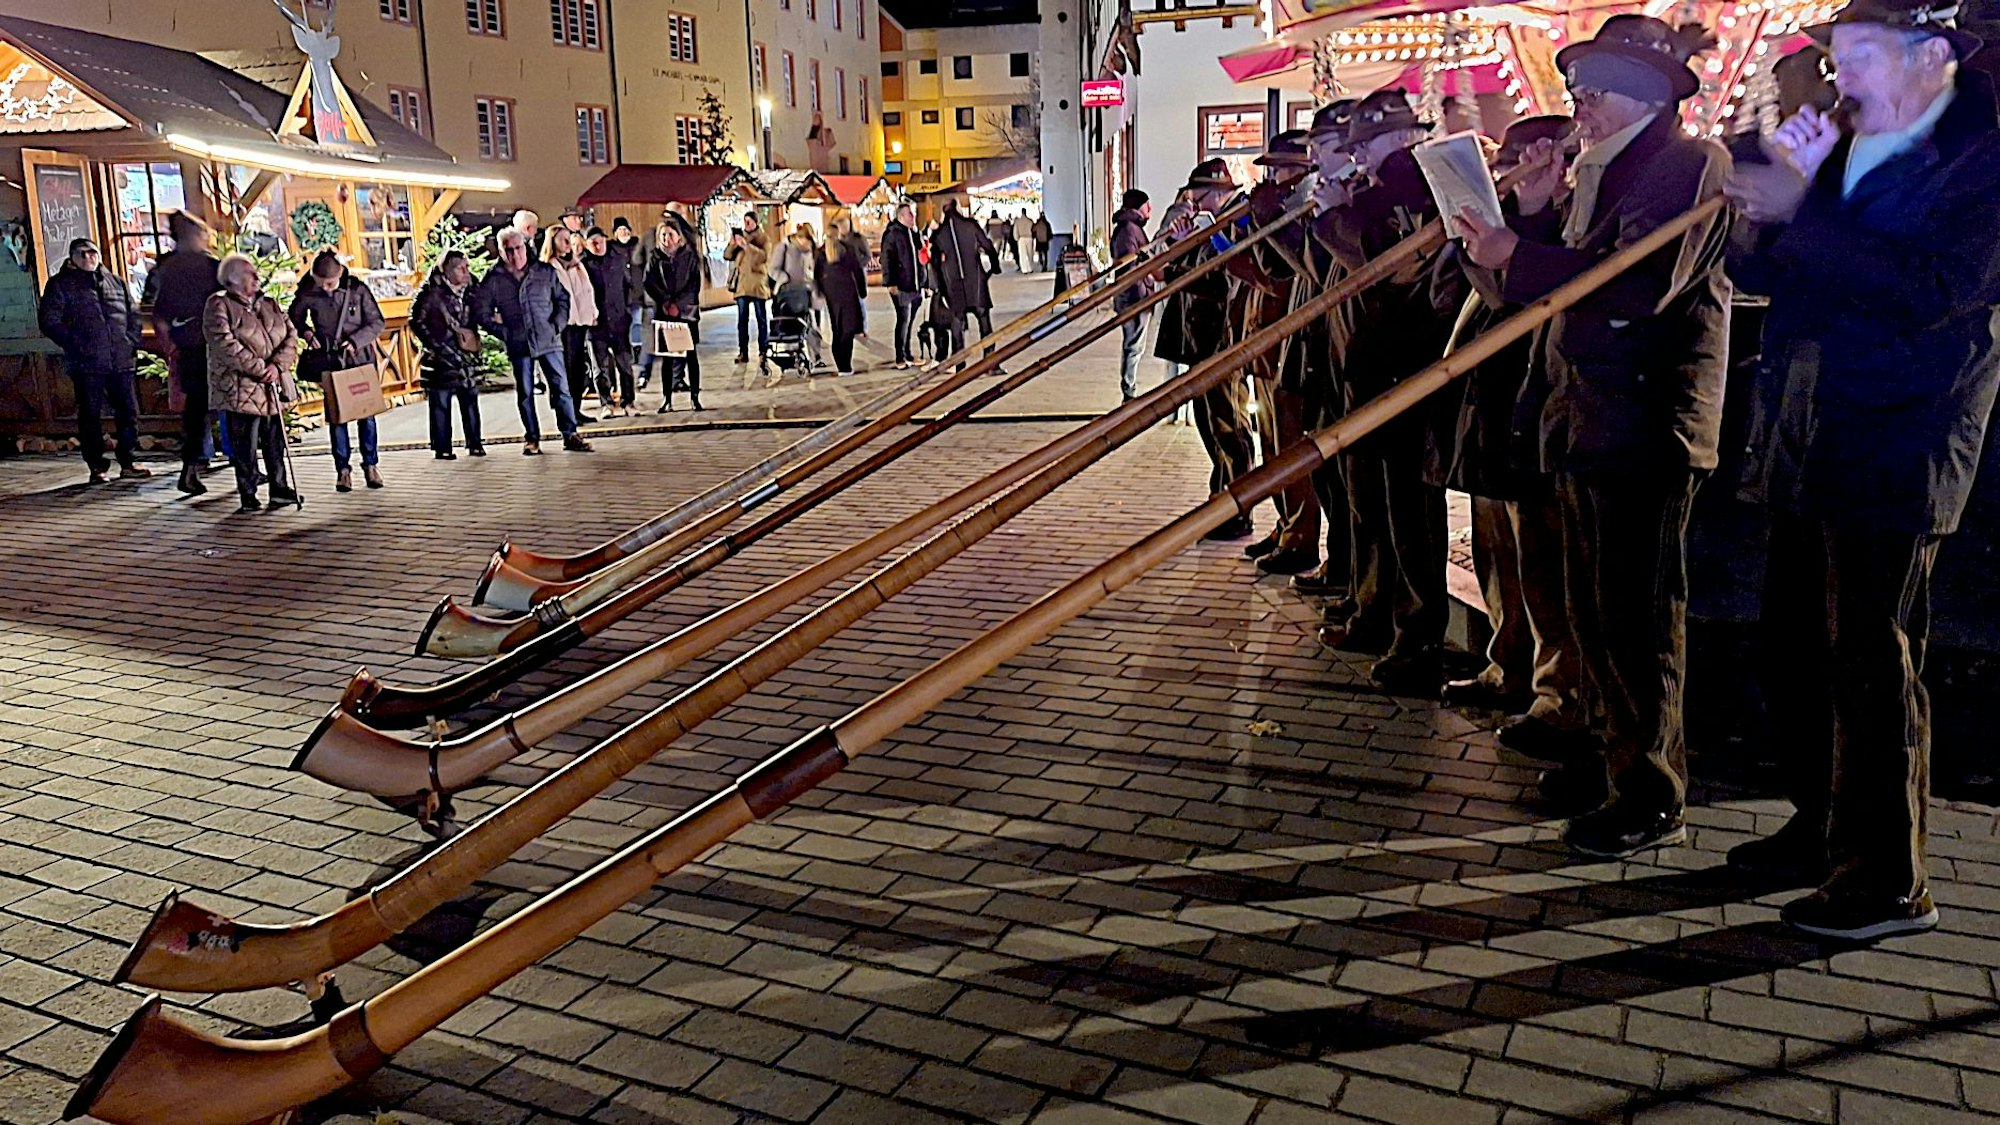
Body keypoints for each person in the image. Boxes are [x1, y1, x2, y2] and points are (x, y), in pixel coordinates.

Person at [1722, 0, 2000, 939]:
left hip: (1902, 433)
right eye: (1835, 61)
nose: (1839, 79)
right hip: (1811, 428)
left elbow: (1931, 293)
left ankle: (1889, 877)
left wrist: (1806, 217)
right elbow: (1765, 275)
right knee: (1800, 643)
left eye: (1858, 57)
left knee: (1874, 659)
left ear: (1930, 59)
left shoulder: (1980, 157)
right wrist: (1767, 195)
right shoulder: (1848, 147)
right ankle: (1823, 830)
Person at [1457, 15, 1731, 859]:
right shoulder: (1597, 170)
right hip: (1582, 417)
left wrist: (1520, 249)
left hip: (1648, 420)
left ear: (1646, 95)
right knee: (1589, 607)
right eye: (1577, 89)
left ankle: (1648, 784)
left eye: (1595, 90)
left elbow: (1638, 283)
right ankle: (1603, 754)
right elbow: (1540, 292)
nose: (1580, 104)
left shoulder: (1687, 165)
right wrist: (1529, 221)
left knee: (1637, 614)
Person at [1436, 117, 1589, 758]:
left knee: (1545, 560)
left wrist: (1527, 217)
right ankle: (1509, 662)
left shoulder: (1577, 216)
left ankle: (1558, 695)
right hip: (1496, 406)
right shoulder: (1516, 221)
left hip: (1539, 406)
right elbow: (1457, 290)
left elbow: (1533, 291)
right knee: (1500, 549)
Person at [1317, 91, 1466, 693]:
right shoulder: (1389, 190)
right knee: (1380, 506)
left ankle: (1413, 633)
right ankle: (1385, 614)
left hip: (1401, 366)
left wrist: (1333, 217)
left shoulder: (1406, 191)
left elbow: (1385, 265)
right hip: (1383, 367)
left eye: (1366, 143)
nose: (1361, 156)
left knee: (1404, 511)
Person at [1153, 159, 1257, 542]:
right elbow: (1183, 267)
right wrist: (1178, 246)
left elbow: (1219, 277)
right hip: (1205, 339)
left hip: (1222, 338)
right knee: (1212, 424)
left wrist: (1177, 264)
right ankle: (1222, 499)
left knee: (1228, 425)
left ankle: (1237, 507)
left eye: (1194, 193)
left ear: (1213, 190)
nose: (1190, 200)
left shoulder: (1235, 220)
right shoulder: (1211, 223)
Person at [1234, 130, 1321, 577]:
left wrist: (1268, 225)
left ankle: (1302, 531)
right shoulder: (1288, 211)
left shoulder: (1305, 211)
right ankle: (1286, 522)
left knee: (1289, 447)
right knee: (1272, 446)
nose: (1274, 176)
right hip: (1267, 344)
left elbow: (1285, 277)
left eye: (1282, 167)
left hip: (1290, 342)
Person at [38, 238, 149, 486]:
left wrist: (130, 341)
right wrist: (77, 344)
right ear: (73, 258)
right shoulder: (60, 285)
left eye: (93, 252)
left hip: (120, 358)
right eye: (83, 253)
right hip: (86, 363)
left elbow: (133, 314)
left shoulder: (115, 281)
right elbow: (49, 321)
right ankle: (97, 466)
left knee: (128, 412)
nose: (90, 257)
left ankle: (129, 461)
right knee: (90, 416)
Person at [471, 227, 592, 455]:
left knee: (561, 388)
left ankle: (570, 434)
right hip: (519, 343)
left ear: (525, 247)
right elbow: (482, 312)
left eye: (518, 248)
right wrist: (504, 332)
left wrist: (556, 325)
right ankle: (532, 438)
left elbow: (562, 299)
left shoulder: (543, 271)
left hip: (549, 339)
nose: (515, 255)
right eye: (509, 250)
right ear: (500, 251)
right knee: (525, 392)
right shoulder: (494, 279)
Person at [203, 254, 299, 512]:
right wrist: (260, 369)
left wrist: (277, 366)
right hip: (240, 388)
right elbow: (225, 345)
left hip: (271, 386)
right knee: (244, 444)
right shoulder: (218, 306)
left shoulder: (269, 303)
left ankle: (280, 488)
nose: (257, 277)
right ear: (233, 280)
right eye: (250, 274)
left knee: (275, 441)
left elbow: (291, 334)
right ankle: (248, 493)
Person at [287, 250, 386, 492]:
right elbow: (294, 316)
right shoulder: (309, 290)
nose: (327, 289)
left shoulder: (357, 290)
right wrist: (307, 333)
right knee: (336, 417)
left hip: (359, 359)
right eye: (322, 285)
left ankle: (371, 465)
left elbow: (377, 322)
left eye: (330, 284)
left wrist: (355, 341)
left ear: (339, 274)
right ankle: (342, 470)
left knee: (367, 414)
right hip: (330, 361)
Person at [145, 211, 223, 495]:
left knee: (196, 411)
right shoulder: (209, 267)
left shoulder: (167, 268)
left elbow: (159, 315)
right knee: (232, 406)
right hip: (213, 346)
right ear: (194, 236)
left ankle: (190, 469)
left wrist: (171, 348)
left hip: (187, 347)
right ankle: (246, 466)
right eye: (203, 233)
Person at [411, 250, 485, 459]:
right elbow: (416, 321)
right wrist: (436, 344)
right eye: (461, 268)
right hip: (440, 355)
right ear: (447, 270)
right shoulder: (431, 292)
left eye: (466, 267)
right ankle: (442, 447)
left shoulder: (472, 288)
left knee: (470, 398)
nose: (466, 272)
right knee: (440, 403)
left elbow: (480, 312)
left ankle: (475, 443)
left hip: (466, 351)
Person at [928, 197, 1001, 355]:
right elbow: (988, 247)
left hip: (953, 284)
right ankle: (990, 360)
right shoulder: (971, 225)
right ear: (958, 208)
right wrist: (995, 267)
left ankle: (959, 364)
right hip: (976, 281)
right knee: (984, 321)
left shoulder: (939, 234)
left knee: (957, 323)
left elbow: (934, 264)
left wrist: (939, 286)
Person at [544, 227, 601, 424]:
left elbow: (587, 290)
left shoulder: (577, 265)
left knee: (578, 369)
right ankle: (566, 414)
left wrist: (592, 313)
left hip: (580, 322)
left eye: (568, 240)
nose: (568, 244)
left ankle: (576, 409)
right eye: (563, 240)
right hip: (563, 325)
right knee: (565, 370)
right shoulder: (549, 267)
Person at [646, 220, 705, 412]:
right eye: (663, 234)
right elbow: (650, 283)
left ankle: (695, 397)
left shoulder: (689, 257)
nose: (666, 238)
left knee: (690, 355)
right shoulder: (654, 258)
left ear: (678, 237)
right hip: (665, 312)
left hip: (686, 312)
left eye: (670, 234)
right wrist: (665, 302)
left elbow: (694, 285)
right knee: (667, 357)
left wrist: (678, 305)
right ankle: (667, 398)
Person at [585, 226, 639, 415]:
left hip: (619, 320)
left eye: (599, 241)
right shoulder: (583, 265)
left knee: (624, 363)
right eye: (592, 242)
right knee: (600, 367)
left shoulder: (617, 260)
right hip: (596, 324)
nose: (597, 245)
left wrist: (626, 309)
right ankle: (606, 403)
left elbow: (627, 285)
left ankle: (628, 401)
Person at [1108, 189, 1154, 402]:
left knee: (1135, 344)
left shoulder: (1129, 228)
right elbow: (1129, 263)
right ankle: (1129, 390)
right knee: (1133, 345)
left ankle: (1129, 388)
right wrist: (1145, 279)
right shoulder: (1129, 230)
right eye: (1147, 206)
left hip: (1135, 293)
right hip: (1134, 296)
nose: (1150, 210)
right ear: (1138, 207)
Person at [816, 225, 868, 376]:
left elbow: (816, 274)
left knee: (836, 328)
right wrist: (862, 291)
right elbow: (857, 269)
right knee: (848, 329)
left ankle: (841, 365)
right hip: (847, 290)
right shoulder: (847, 249)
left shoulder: (820, 252)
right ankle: (845, 365)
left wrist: (821, 291)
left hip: (831, 293)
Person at [881, 202, 925, 369]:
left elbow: (921, 260)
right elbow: (887, 259)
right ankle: (900, 356)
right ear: (901, 217)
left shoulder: (913, 234)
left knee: (910, 321)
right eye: (909, 214)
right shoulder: (892, 235)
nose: (913, 217)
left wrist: (924, 282)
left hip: (915, 285)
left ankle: (907, 353)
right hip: (902, 285)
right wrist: (890, 282)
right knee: (903, 320)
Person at [725, 212, 772, 365]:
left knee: (761, 319)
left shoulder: (763, 238)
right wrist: (733, 244)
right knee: (742, 320)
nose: (746, 224)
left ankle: (763, 351)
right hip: (742, 285)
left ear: (756, 223)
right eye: (745, 221)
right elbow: (727, 256)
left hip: (757, 283)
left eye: (749, 221)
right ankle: (743, 351)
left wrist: (747, 246)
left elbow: (764, 257)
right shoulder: (740, 238)